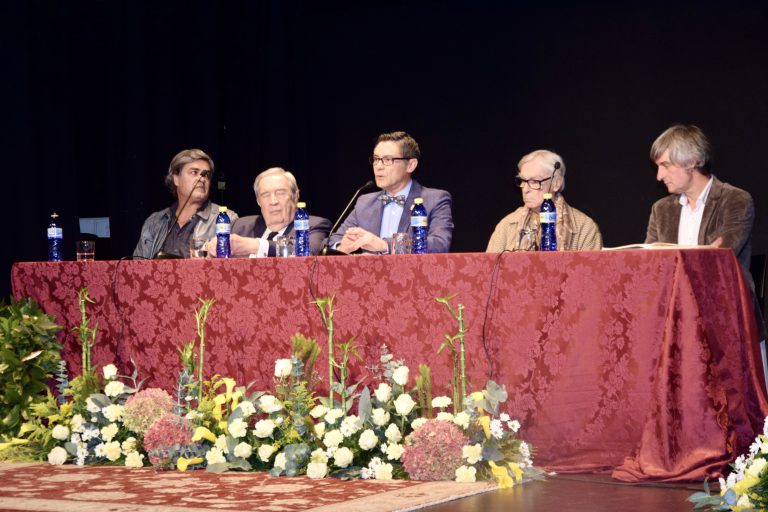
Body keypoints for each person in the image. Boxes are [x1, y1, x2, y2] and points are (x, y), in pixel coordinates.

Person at [645, 124, 754, 283]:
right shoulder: (661, 209)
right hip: (674, 300)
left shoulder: (735, 200)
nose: (659, 176)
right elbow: (651, 264)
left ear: (691, 162)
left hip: (723, 299)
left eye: (665, 165)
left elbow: (719, 261)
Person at [329, 131, 453, 254]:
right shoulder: (364, 202)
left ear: (411, 165)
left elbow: (439, 244)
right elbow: (332, 240)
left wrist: (385, 245)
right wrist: (341, 247)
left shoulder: (435, 199)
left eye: (387, 159)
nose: (378, 166)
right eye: (376, 159)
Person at [486, 150, 602, 252]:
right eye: (522, 181)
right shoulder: (507, 225)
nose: (525, 189)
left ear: (556, 183)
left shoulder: (584, 227)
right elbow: (488, 273)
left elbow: (591, 275)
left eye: (535, 181)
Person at [133, 149, 237, 259]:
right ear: (176, 179)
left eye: (206, 175)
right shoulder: (154, 222)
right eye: (194, 172)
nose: (202, 179)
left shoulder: (225, 219)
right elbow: (137, 267)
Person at [214, 167, 331, 257]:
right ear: (258, 201)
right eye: (265, 195)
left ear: (296, 196)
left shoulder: (314, 225)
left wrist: (257, 246)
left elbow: (307, 252)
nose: (273, 201)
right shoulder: (240, 226)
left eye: (280, 193)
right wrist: (210, 248)